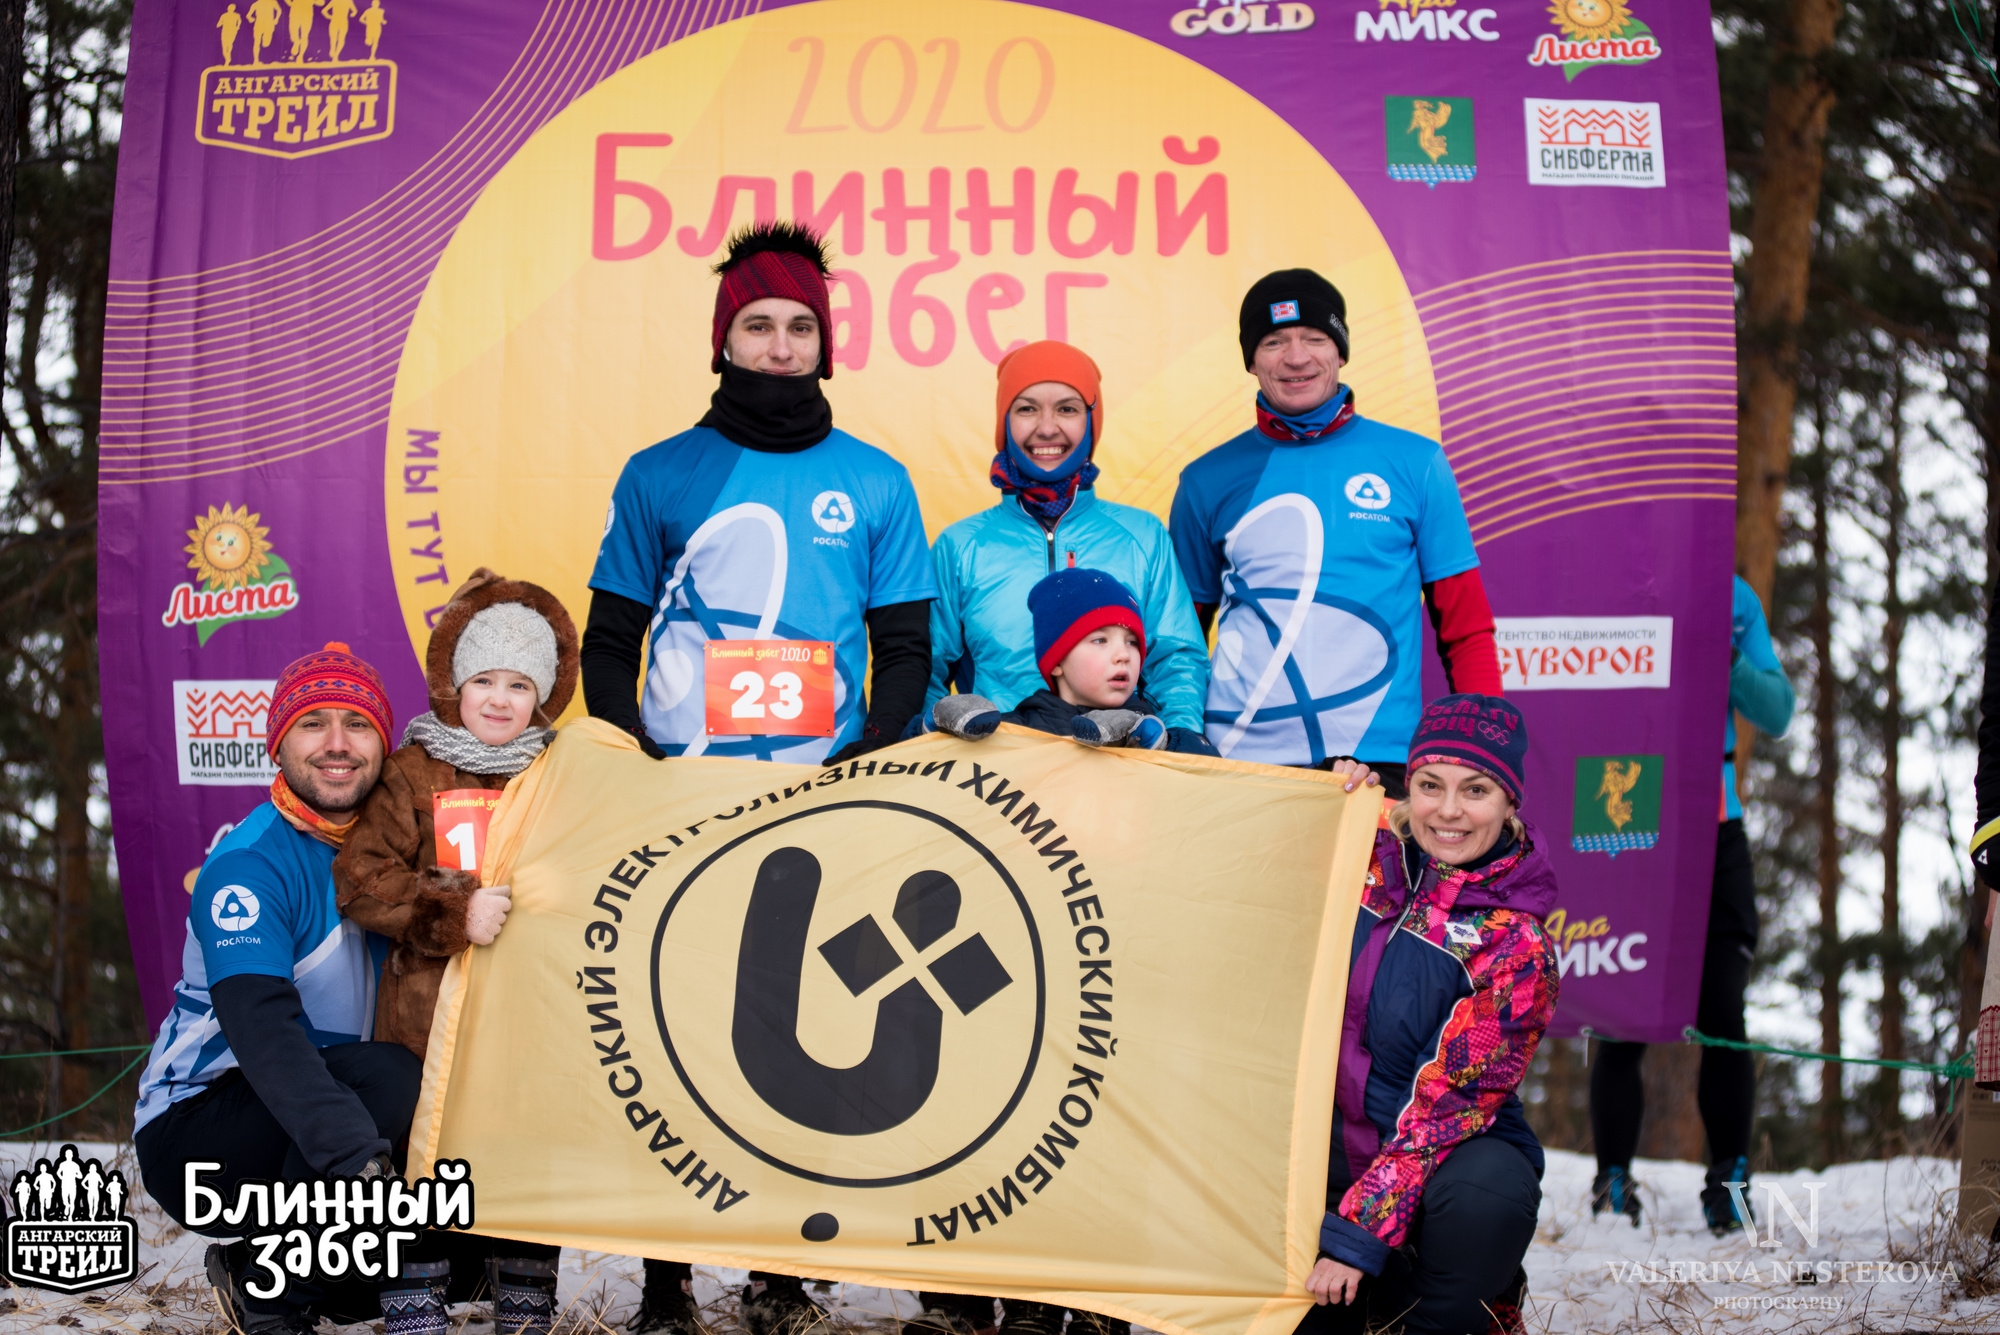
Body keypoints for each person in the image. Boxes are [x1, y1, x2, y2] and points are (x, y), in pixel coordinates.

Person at [583, 220, 935, 1335]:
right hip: (684, 802)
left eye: (799, 328)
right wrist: (632, 762)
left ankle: (780, 1274)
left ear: (825, 344)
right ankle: (665, 1278)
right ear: (723, 340)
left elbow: (906, 651)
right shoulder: (660, 473)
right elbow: (609, 641)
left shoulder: (875, 480)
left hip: (820, 806)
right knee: (672, 1037)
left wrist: (867, 762)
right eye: (758, 326)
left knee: (801, 1037)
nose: (780, 346)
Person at [132, 643, 419, 1334]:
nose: (337, 744)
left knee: (453, 1257)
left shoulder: (394, 856)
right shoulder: (250, 862)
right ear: (279, 744)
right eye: (313, 723)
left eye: (357, 724)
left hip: (319, 1115)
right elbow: (263, 1031)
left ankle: (261, 1268)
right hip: (197, 1127)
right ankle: (273, 1301)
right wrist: (359, 1162)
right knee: (389, 1077)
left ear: (383, 745)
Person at [334, 569, 576, 1332]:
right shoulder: (410, 772)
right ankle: (415, 1300)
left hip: (531, 1014)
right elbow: (362, 877)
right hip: (424, 1016)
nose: (499, 699)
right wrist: (453, 909)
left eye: (518, 684)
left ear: (542, 695)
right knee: (421, 1151)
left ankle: (526, 1298)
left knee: (528, 1149)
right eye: (484, 680)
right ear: (455, 685)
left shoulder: (561, 776)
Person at [1169, 270, 1501, 794]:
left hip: (1378, 760)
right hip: (1242, 763)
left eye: (1315, 338)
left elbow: (1466, 631)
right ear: (1251, 361)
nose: (1296, 357)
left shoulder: (1417, 463)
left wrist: (1486, 752)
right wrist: (1181, 744)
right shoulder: (1205, 480)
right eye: (1273, 342)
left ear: (1340, 351)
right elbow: (1179, 642)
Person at [1303, 695, 1555, 1335]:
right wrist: (1320, 797)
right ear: (1407, 787)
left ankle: (1443, 1308)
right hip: (1318, 1154)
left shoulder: (1517, 944)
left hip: (1435, 1163)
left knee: (1487, 1194)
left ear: (1510, 802)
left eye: (1476, 790)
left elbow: (1443, 1113)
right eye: (1430, 785)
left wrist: (1358, 1236)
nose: (1448, 810)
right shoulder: (1359, 859)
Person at [1588, 575, 1794, 1233]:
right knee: (1620, 1010)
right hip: (1622, 808)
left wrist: (1723, 654)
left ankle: (1729, 1184)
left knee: (1724, 1014)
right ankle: (1611, 1184)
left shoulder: (1730, 595)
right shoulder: (1606, 571)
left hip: (1714, 823)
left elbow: (1778, 711)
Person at [924, 341, 1211, 753]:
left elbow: (1176, 657)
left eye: (1067, 408)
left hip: (1120, 768)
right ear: (1004, 422)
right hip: (998, 770)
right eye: (1026, 408)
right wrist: (932, 746)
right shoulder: (961, 545)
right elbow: (928, 667)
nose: (1046, 428)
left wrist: (1181, 737)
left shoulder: (1142, 535)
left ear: (1091, 421)